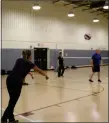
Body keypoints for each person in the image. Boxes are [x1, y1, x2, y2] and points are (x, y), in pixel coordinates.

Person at [1, 50, 49, 123]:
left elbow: (20, 69)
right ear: (29, 56)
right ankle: (4, 118)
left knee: (12, 100)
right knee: (12, 102)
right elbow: (39, 70)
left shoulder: (18, 60)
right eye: (31, 55)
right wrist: (45, 74)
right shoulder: (29, 63)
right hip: (16, 82)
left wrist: (29, 73)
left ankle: (11, 119)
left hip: (9, 79)